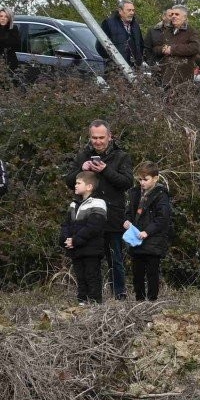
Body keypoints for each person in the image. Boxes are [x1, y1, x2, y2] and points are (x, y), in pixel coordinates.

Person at [67, 121, 135, 301]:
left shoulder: (121, 156)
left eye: (101, 138)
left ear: (109, 136)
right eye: (94, 138)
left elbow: (127, 182)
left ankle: (119, 295)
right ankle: (90, 297)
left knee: (115, 259)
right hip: (87, 219)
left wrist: (105, 170)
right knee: (89, 259)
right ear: (90, 137)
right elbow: (69, 181)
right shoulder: (83, 156)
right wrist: (81, 170)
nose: (97, 141)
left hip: (112, 217)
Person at [122, 162, 174, 301]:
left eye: (146, 179)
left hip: (153, 241)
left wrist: (147, 232)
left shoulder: (161, 195)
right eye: (140, 179)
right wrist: (127, 221)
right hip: (136, 239)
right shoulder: (134, 193)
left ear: (155, 178)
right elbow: (128, 212)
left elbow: (162, 218)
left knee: (152, 273)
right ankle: (139, 299)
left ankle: (152, 300)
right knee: (137, 273)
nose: (142, 182)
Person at [60, 168, 109, 303]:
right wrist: (66, 239)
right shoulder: (73, 204)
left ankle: (94, 303)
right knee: (80, 277)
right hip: (76, 249)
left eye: (78, 183)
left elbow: (94, 227)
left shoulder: (98, 203)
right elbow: (66, 225)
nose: (75, 185)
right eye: (75, 183)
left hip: (91, 249)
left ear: (89, 186)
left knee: (92, 276)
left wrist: (75, 240)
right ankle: (82, 301)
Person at [146, 6, 200, 83]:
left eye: (177, 14)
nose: (173, 16)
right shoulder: (166, 31)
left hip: (183, 77)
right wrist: (162, 49)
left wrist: (172, 50)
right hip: (165, 76)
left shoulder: (192, 31)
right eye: (172, 14)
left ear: (184, 17)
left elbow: (195, 47)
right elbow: (155, 48)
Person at [101, 0, 144, 70]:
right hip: (116, 71)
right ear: (120, 11)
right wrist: (112, 61)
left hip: (134, 70)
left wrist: (139, 60)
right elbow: (100, 46)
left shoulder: (135, 25)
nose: (132, 13)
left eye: (133, 10)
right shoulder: (108, 24)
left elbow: (141, 44)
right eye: (129, 10)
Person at [0, 6, 19, 78]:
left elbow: (16, 46)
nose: (3, 18)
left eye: (6, 16)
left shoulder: (13, 29)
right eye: (1, 16)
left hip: (10, 64)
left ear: (9, 18)